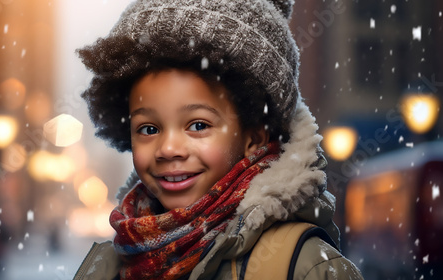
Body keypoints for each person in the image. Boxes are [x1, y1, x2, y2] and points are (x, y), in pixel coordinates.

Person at [74, 0, 364, 279]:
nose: (168, 149)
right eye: (149, 129)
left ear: (255, 137)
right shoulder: (107, 267)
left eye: (198, 125)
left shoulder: (307, 267)